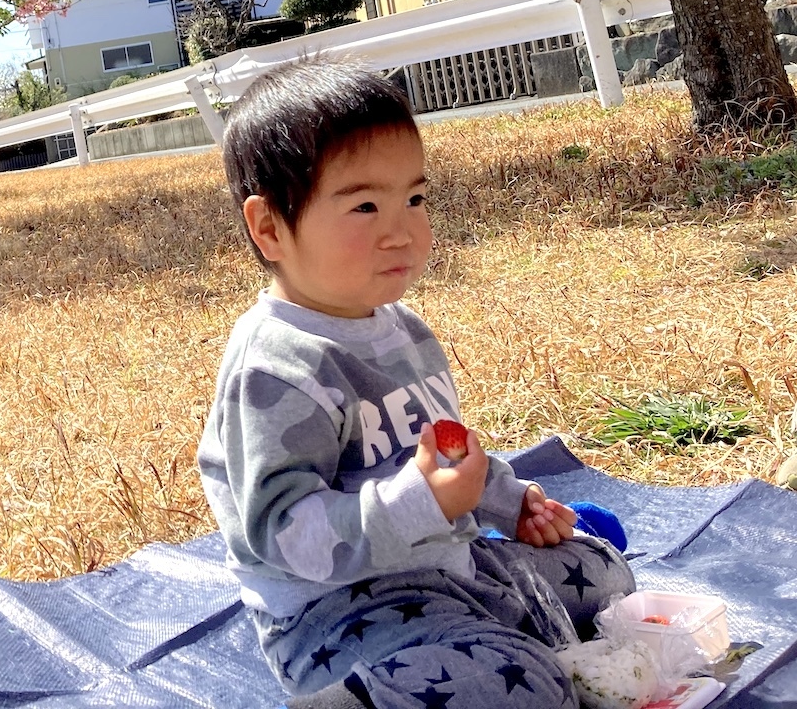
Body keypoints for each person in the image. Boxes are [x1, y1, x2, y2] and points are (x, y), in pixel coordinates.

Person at [198, 61, 634, 709]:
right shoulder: (279, 368)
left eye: (416, 199)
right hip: (346, 615)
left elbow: (445, 456)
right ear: (269, 229)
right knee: (529, 684)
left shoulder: (402, 328)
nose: (401, 229)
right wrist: (419, 505)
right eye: (366, 205)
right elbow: (289, 537)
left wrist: (507, 502)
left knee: (606, 573)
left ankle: (495, 652)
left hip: (448, 564)